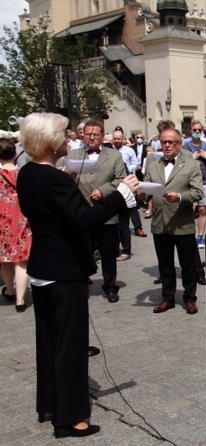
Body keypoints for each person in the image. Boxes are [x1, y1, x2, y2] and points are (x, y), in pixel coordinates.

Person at [16, 112, 139, 438]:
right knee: (70, 347)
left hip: (43, 266)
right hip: (63, 271)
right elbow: (85, 219)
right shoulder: (54, 178)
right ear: (51, 142)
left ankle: (50, 404)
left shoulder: (28, 173)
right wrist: (122, 194)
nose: (69, 139)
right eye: (64, 134)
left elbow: (52, 213)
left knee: (49, 341)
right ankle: (70, 418)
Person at [65, 121, 127, 303]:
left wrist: (103, 190)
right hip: (81, 212)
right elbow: (62, 180)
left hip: (106, 212)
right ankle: (82, 282)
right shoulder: (73, 155)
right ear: (83, 135)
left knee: (108, 253)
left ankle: (110, 286)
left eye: (96, 134)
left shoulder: (114, 156)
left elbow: (121, 179)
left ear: (102, 136)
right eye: (88, 134)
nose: (92, 138)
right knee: (83, 251)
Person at [144, 127, 204, 315]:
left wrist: (179, 196)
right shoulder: (153, 165)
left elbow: (198, 192)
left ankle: (190, 298)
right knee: (165, 264)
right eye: (164, 142)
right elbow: (147, 188)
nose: (167, 145)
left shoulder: (190, 165)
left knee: (187, 264)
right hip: (160, 222)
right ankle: (167, 298)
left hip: (182, 221)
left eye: (171, 142)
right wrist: (141, 193)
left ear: (179, 143)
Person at [0, 138, 31, 312]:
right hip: (20, 216)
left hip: (2, 217)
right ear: (14, 153)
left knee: (5, 259)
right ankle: (20, 300)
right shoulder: (22, 173)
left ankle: (10, 291)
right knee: (21, 260)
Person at [182, 119, 206, 249]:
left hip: (205, 182)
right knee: (190, 210)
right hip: (190, 183)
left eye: (199, 130)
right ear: (190, 131)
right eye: (194, 130)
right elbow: (180, 166)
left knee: (203, 210)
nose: (197, 132)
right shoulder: (185, 148)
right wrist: (191, 158)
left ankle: (200, 237)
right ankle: (189, 234)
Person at [111, 130, 144, 261]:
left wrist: (129, 170)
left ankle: (127, 248)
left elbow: (135, 163)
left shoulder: (128, 151)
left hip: (128, 184)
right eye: (115, 139)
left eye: (119, 139)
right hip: (114, 190)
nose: (117, 141)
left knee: (129, 213)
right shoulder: (110, 153)